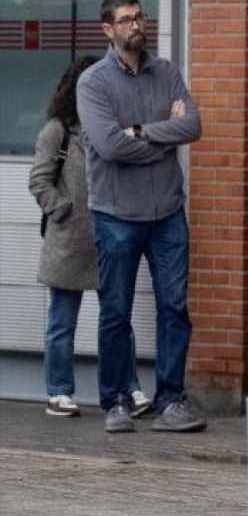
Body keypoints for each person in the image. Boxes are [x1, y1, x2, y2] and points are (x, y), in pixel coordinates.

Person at [77, 0, 205, 435]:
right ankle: (115, 401)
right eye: (126, 20)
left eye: (140, 17)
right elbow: (109, 146)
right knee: (116, 310)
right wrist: (162, 140)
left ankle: (172, 399)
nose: (136, 25)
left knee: (174, 306)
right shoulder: (93, 83)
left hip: (167, 211)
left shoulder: (166, 72)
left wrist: (140, 132)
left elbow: (192, 126)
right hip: (116, 214)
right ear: (107, 29)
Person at [30, 55, 150, 420]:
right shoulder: (58, 130)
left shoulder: (113, 127)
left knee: (117, 319)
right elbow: (39, 179)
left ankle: (128, 388)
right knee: (62, 322)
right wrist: (62, 208)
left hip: (111, 238)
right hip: (68, 241)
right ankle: (59, 392)